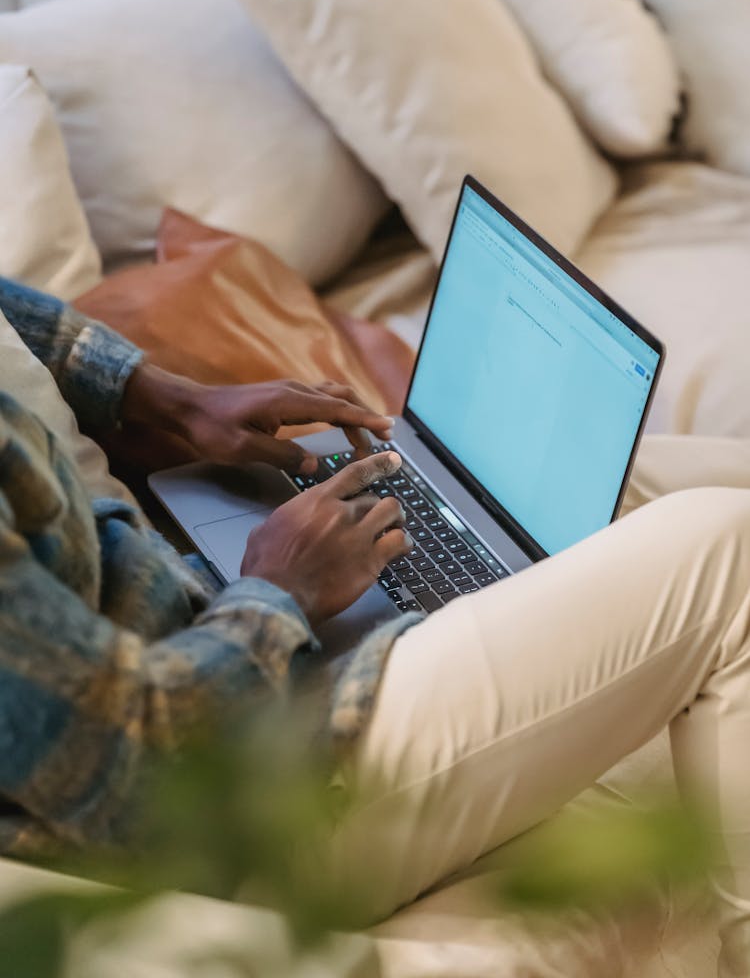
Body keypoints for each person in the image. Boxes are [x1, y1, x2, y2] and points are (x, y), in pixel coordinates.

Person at [0, 276, 749, 976]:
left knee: (597, 493)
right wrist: (274, 591)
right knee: (728, 548)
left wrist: (169, 400)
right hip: (227, 809)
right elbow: (132, 781)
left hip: (186, 621)